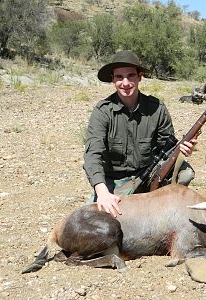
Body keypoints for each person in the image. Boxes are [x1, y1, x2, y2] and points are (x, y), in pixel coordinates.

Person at [83, 50, 197, 217]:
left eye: (131, 76)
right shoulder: (103, 111)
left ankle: (166, 208)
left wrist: (183, 149)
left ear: (140, 77)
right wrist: (103, 193)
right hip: (116, 179)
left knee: (185, 172)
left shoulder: (157, 108)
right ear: (113, 79)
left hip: (149, 171)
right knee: (91, 216)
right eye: (119, 77)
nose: (125, 83)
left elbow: (167, 147)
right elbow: (92, 155)